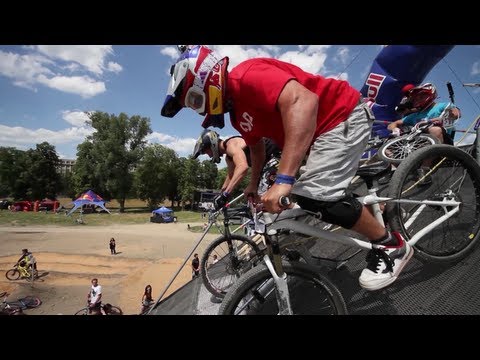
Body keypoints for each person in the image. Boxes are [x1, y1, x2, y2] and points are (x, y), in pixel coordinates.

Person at [161, 45, 413, 291]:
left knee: (315, 194)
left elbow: (304, 102)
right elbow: (256, 148)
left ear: (207, 80)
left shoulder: (249, 75)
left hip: (341, 116)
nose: (197, 108)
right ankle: (360, 211)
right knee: (304, 199)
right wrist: (252, 184)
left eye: (194, 100)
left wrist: (284, 179)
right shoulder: (237, 115)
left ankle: (391, 245)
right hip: (319, 135)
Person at [387, 83, 461, 184]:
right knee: (388, 141)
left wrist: (444, 118)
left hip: (442, 142)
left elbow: (456, 113)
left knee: (435, 130)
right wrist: (395, 130)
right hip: (419, 144)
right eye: (415, 98)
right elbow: (393, 124)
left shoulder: (442, 106)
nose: (418, 99)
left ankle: (424, 169)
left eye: (421, 96)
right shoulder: (414, 115)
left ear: (430, 94)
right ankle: (395, 170)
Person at [192, 129, 282, 209]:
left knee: (265, 197)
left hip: (275, 155)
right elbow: (231, 176)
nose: (210, 155)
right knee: (255, 202)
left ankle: (290, 215)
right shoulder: (229, 157)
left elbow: (242, 167)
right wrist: (220, 195)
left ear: (212, 144)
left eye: (207, 152)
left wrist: (226, 194)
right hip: (264, 166)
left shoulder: (231, 145)